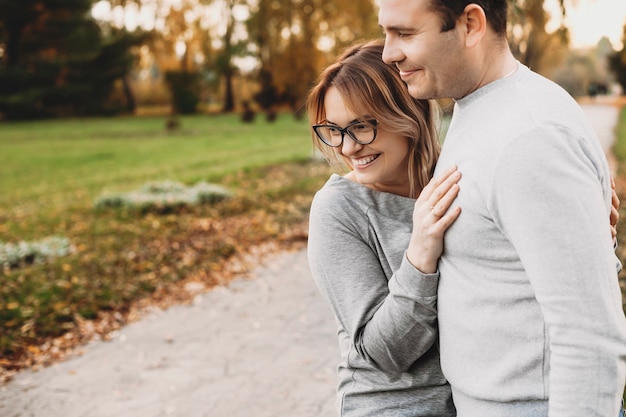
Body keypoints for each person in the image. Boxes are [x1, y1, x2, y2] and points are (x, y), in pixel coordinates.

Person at [378, 1, 626, 416]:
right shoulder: (480, 105)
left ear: (471, 24)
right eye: (386, 33)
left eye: (405, 34)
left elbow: (589, 336)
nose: (388, 52)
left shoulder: (530, 138)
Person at [306, 39, 460, 416]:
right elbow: (385, 352)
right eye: (335, 130)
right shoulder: (339, 210)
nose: (347, 148)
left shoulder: (456, 181)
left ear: (405, 111)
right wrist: (420, 254)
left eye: (360, 126)